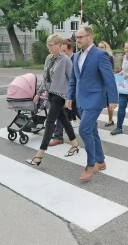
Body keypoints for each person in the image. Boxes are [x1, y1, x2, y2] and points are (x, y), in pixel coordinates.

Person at [67, 26, 118, 181]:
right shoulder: (75, 56)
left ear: (89, 37)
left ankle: (91, 165)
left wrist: (113, 99)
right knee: (92, 130)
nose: (78, 40)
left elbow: (109, 78)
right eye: (76, 38)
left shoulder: (100, 55)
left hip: (95, 98)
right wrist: (69, 97)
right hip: (80, 99)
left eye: (80, 37)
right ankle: (101, 161)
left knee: (84, 130)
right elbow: (73, 79)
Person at [26, 34, 79, 166]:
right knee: (64, 121)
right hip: (50, 93)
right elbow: (46, 78)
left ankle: (39, 155)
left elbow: (73, 79)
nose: (49, 48)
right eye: (48, 45)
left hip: (60, 95)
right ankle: (74, 144)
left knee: (49, 122)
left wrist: (70, 97)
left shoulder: (66, 60)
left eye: (51, 45)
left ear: (60, 46)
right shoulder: (49, 58)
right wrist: (38, 92)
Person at [49, 38, 79, 147]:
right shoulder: (60, 59)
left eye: (64, 50)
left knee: (79, 112)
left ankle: (91, 127)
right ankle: (58, 137)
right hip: (62, 94)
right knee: (61, 115)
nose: (62, 53)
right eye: (61, 50)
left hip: (73, 93)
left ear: (71, 50)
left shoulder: (75, 59)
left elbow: (73, 78)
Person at [97, 41, 115, 127]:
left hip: (106, 83)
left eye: (102, 47)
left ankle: (110, 120)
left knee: (108, 103)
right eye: (99, 47)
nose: (100, 49)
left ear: (106, 48)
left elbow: (110, 71)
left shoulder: (109, 57)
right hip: (99, 83)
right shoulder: (96, 57)